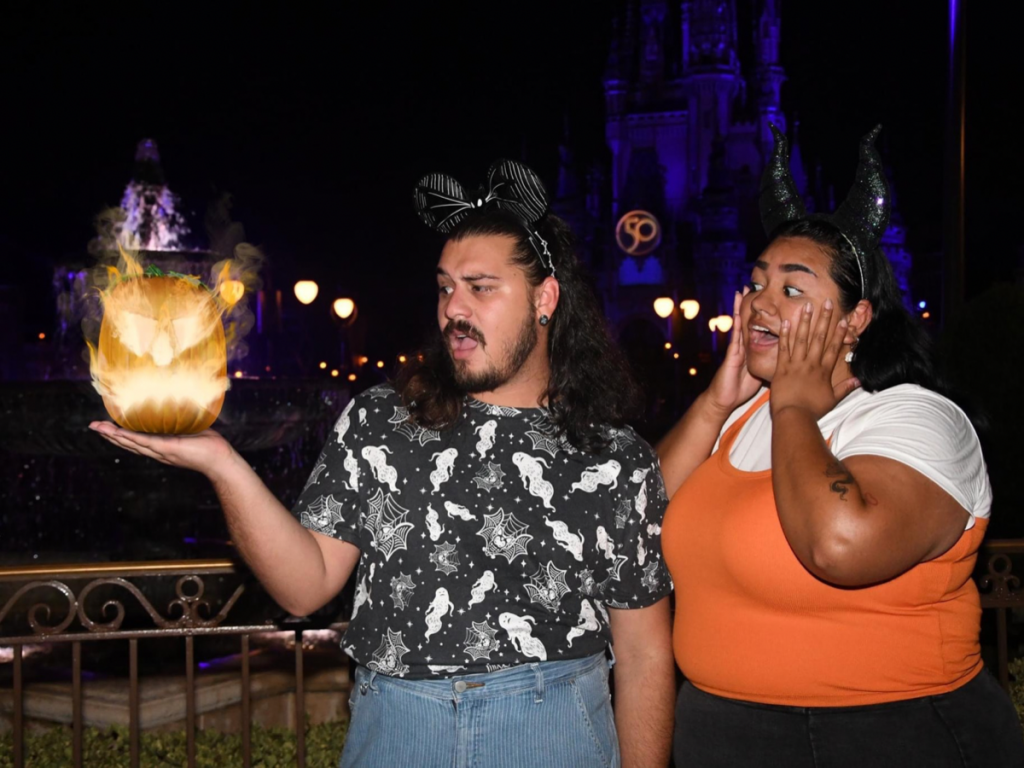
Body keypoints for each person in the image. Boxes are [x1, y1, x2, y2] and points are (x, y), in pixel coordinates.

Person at [92, 159, 675, 768]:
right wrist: (224, 465)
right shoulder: (382, 421)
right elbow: (304, 584)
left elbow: (644, 657)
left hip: (551, 730)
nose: (455, 309)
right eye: (446, 287)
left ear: (545, 298)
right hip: (398, 727)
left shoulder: (613, 458)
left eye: (481, 288)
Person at [657, 125, 1024, 767]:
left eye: (792, 289)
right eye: (758, 282)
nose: (759, 303)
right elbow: (635, 516)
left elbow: (839, 545)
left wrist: (794, 401)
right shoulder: (743, 420)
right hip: (721, 733)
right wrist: (719, 400)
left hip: (885, 737)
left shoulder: (915, 419)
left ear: (855, 320)